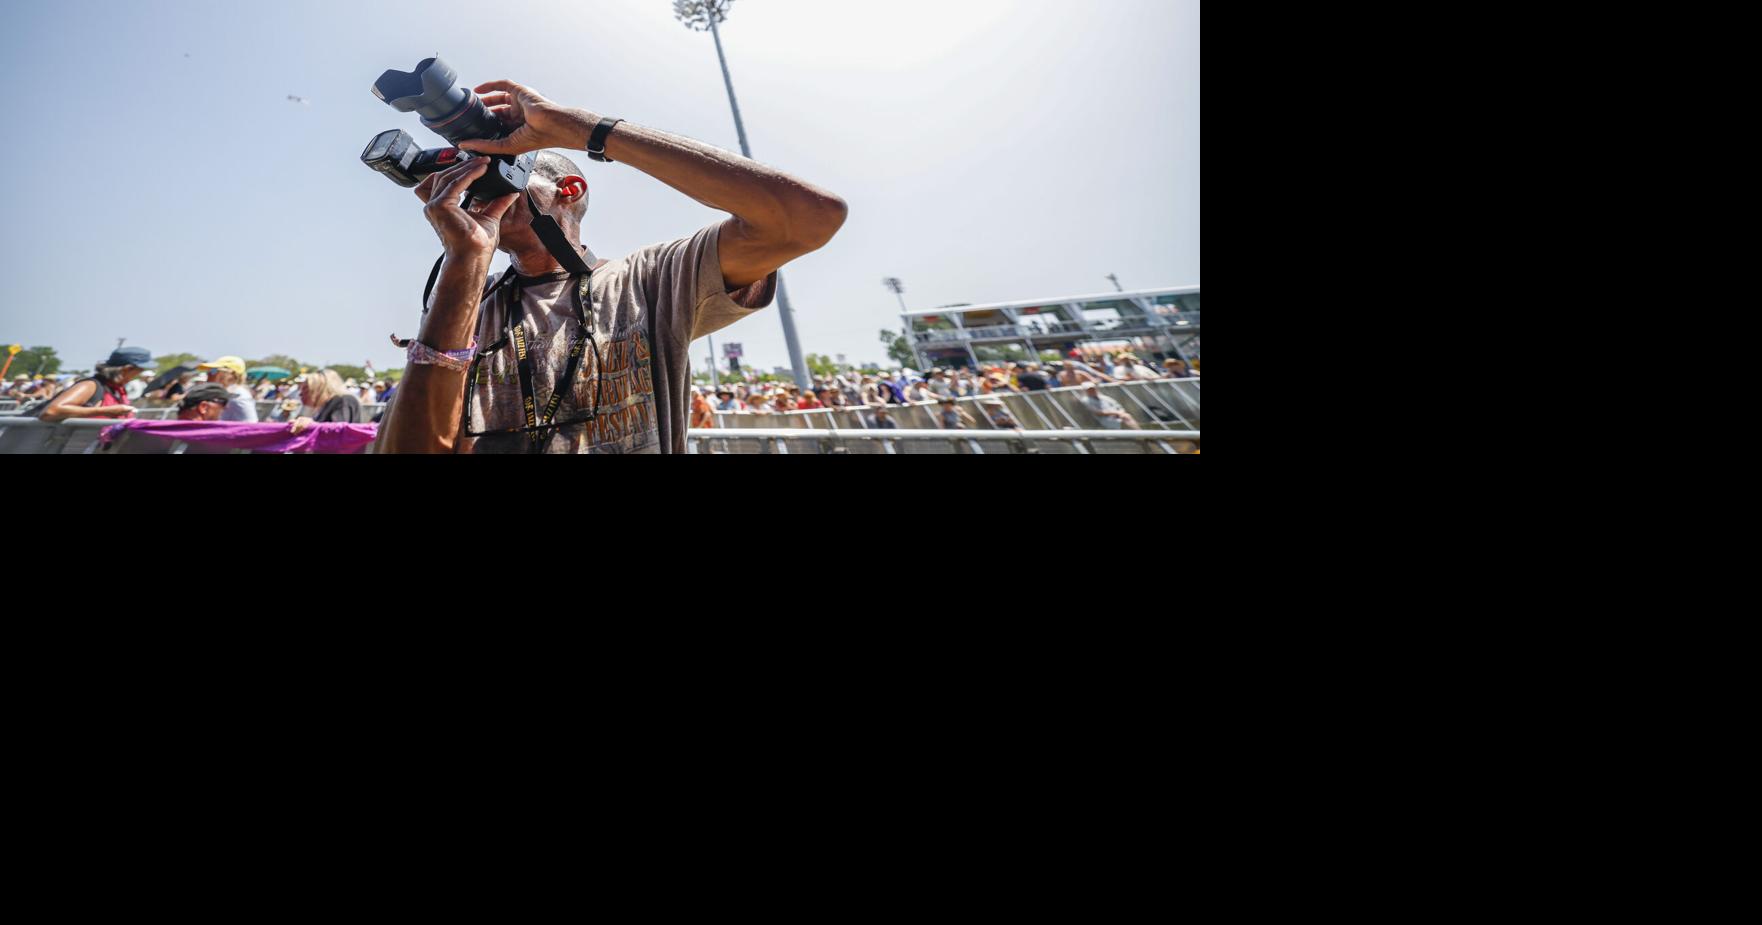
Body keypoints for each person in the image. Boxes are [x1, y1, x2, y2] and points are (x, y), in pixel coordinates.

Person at [377, 77, 847, 454]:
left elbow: (807, 218)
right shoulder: (466, 303)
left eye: (506, 164)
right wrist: (464, 263)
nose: (484, 176)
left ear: (570, 189)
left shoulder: (650, 278)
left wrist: (577, 128)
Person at [35, 346, 149, 423]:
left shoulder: (116, 389)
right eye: (139, 371)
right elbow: (51, 411)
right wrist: (105, 411)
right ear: (127, 369)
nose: (138, 376)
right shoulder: (90, 385)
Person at [288, 370, 363, 435]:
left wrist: (312, 425)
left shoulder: (343, 400)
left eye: (306, 389)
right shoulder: (326, 405)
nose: (300, 394)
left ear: (320, 388)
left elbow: (338, 431)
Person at [196, 357, 259, 422]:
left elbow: (250, 425)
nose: (208, 374)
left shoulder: (237, 395)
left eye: (213, 370)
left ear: (228, 375)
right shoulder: (227, 392)